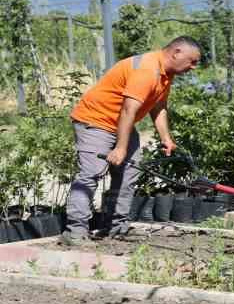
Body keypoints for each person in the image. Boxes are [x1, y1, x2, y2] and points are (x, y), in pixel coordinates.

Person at [61, 36, 202, 245]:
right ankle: (75, 232)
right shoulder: (147, 70)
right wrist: (120, 147)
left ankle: (115, 227)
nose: (193, 68)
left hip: (118, 122)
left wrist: (166, 138)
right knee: (91, 174)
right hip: (95, 121)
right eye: (192, 61)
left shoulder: (165, 74)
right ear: (177, 52)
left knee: (128, 173)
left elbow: (158, 106)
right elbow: (129, 110)